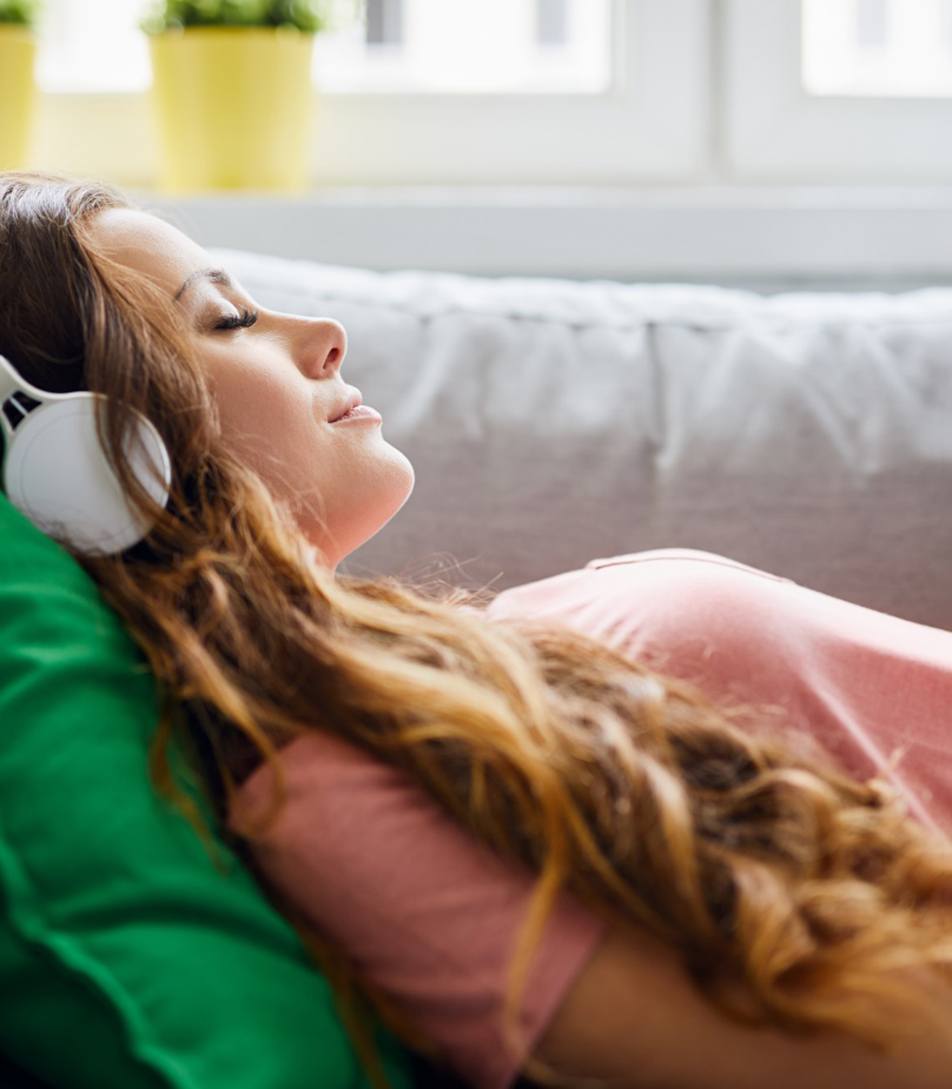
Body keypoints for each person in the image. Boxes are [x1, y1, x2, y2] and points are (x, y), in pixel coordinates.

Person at [2, 170, 952, 1089]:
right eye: (229, 319)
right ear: (84, 457)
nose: (330, 336)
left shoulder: (432, 686)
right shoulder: (344, 805)